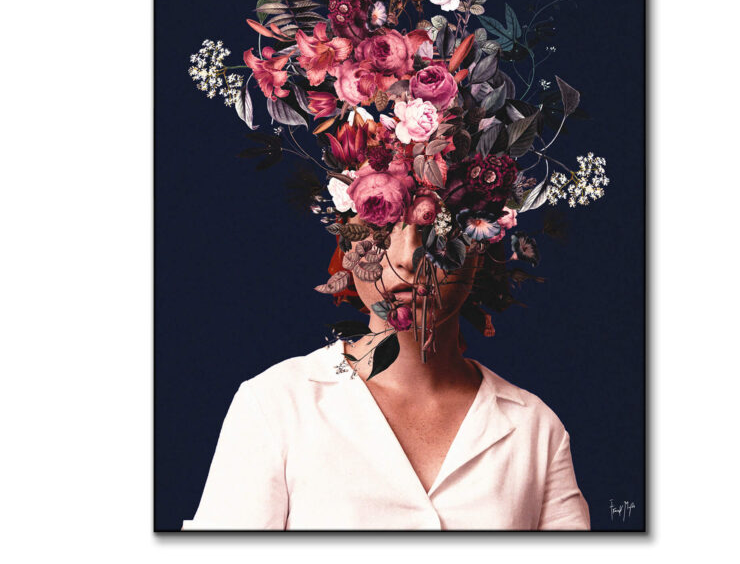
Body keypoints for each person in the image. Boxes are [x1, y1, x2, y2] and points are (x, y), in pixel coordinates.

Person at [183, 220, 591, 531]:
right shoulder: (277, 405)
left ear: (479, 248)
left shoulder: (534, 427)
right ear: (345, 245)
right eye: (381, 227)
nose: (406, 257)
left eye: (435, 227)